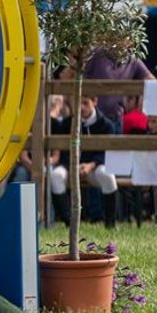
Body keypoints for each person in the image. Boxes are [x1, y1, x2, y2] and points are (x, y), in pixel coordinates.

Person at [49, 95, 120, 228]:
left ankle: (110, 223)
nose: (81, 107)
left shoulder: (106, 124)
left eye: (85, 103)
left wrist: (91, 165)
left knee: (107, 176)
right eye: (78, 103)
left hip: (95, 167)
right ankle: (69, 223)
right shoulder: (67, 123)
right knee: (56, 176)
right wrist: (72, 166)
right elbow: (63, 151)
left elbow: (107, 152)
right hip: (71, 166)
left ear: (95, 101)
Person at [61, 46, 153, 126]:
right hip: (94, 117)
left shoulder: (132, 59)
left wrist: (145, 95)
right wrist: (71, 103)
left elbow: (151, 79)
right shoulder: (97, 54)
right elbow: (68, 75)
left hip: (116, 117)